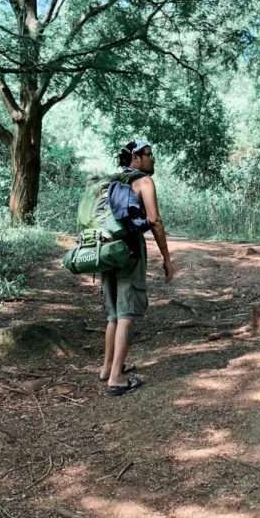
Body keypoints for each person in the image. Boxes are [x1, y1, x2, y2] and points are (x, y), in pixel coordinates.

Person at [100, 139, 175, 396]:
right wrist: (166, 257)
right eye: (149, 155)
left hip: (106, 252)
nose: (152, 159)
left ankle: (108, 366)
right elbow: (154, 220)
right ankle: (117, 378)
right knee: (126, 315)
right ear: (136, 157)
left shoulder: (110, 181)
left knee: (113, 315)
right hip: (129, 251)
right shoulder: (144, 181)